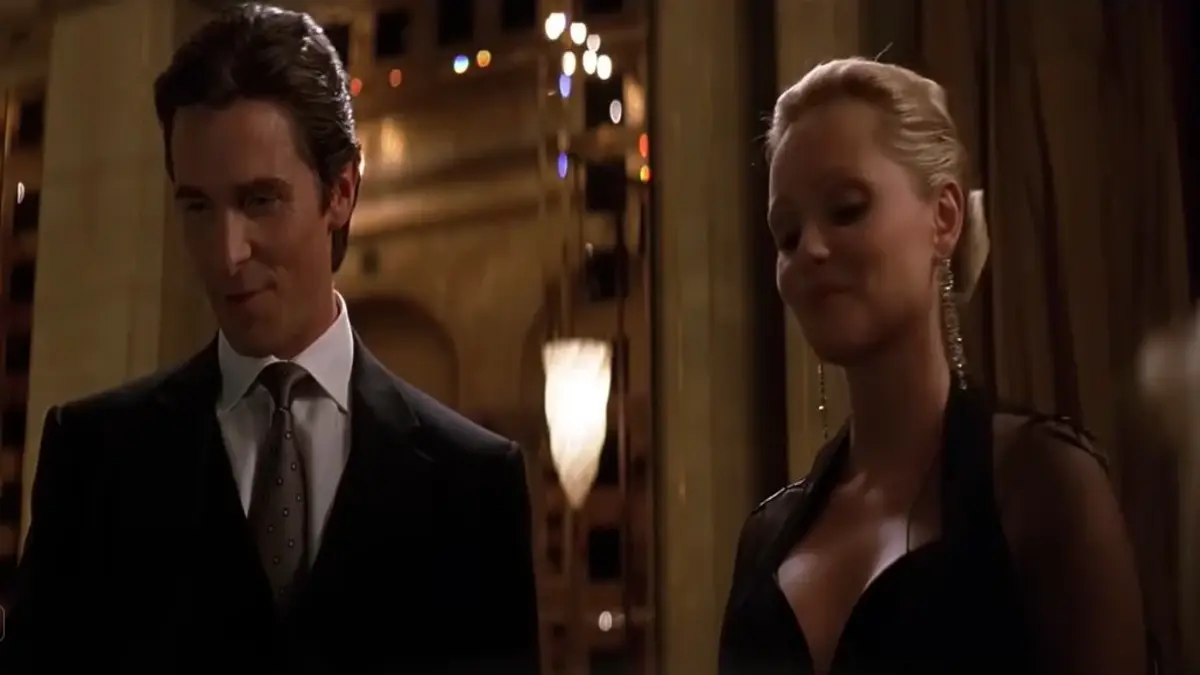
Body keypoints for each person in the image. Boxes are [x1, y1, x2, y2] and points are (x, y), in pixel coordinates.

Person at [0, 4, 540, 673]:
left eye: (260, 200)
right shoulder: (94, 460)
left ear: (341, 191)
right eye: (198, 207)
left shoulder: (473, 482)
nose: (226, 253)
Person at [718, 58, 1147, 675]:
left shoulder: (1038, 487)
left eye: (846, 208)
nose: (809, 248)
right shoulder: (766, 540)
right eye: (786, 234)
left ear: (944, 218)